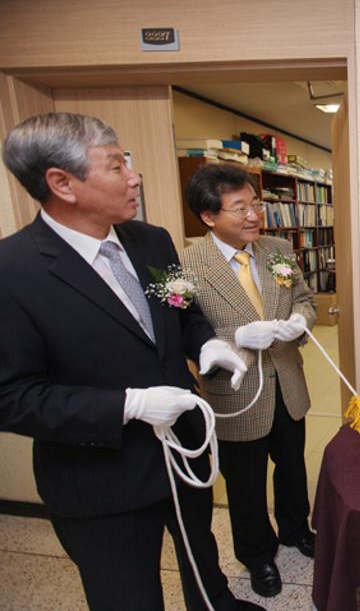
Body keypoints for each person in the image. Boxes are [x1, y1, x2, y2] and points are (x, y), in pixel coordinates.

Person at [0, 112, 261, 610]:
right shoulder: (12, 272)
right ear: (62, 183)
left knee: (201, 559)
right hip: (100, 477)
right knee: (127, 593)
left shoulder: (151, 240)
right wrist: (128, 405)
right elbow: (11, 397)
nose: (134, 176)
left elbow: (182, 312)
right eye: (116, 166)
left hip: (182, 451)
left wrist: (204, 342)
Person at [180, 163, 317, 598]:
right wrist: (232, 337)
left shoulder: (277, 249)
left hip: (286, 382)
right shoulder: (187, 263)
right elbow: (181, 329)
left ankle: (297, 528)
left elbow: (305, 299)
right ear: (209, 217)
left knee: (293, 466)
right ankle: (258, 555)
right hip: (234, 394)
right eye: (240, 208)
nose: (254, 215)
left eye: (255, 204)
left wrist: (300, 320)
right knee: (245, 482)